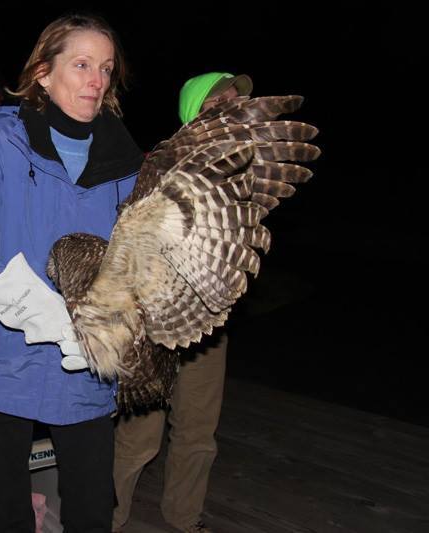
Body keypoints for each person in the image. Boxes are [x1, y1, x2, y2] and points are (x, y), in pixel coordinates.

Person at [0, 13, 143, 532]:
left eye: (105, 68)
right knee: (8, 512)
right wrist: (26, 301)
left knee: (90, 509)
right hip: (0, 354)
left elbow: (138, 266)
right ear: (43, 72)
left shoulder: (126, 163)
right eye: (81, 64)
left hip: (86, 359)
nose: (96, 80)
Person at [111, 72, 252, 533]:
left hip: (210, 323)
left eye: (236, 101)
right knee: (139, 437)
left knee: (197, 432)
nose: (232, 108)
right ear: (196, 113)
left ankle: (184, 519)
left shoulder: (238, 167)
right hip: (155, 322)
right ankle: (106, 519)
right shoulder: (161, 162)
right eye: (220, 103)